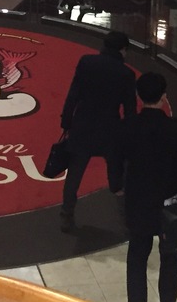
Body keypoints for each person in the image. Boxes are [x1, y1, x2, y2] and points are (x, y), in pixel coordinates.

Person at [121, 71, 177, 302]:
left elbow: (117, 159)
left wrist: (118, 186)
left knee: (137, 257)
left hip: (138, 202)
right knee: (170, 252)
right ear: (164, 97)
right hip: (169, 202)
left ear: (138, 96)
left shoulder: (130, 126)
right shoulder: (175, 128)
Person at [58, 29, 137, 231]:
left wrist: (66, 120)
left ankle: (67, 213)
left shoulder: (86, 62)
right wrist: (131, 134)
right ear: (123, 49)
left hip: (83, 124)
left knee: (74, 174)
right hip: (110, 127)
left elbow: (73, 94)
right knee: (116, 172)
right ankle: (126, 216)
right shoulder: (126, 74)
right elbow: (129, 109)